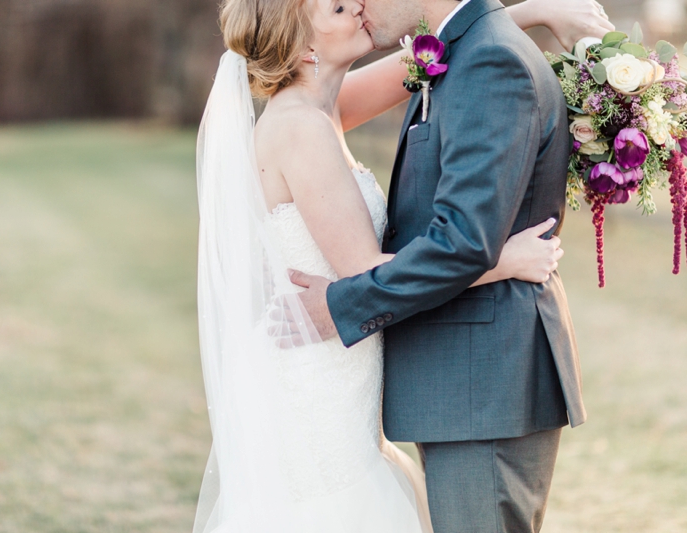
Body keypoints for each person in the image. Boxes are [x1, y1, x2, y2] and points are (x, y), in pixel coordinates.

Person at [193, 0, 613, 532]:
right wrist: (500, 259)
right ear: (304, 47)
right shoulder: (301, 127)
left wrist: (528, 10)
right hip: (319, 378)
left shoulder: (323, 106)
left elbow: (433, 48)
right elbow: (364, 268)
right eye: (340, 7)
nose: (359, 6)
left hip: (348, 371)